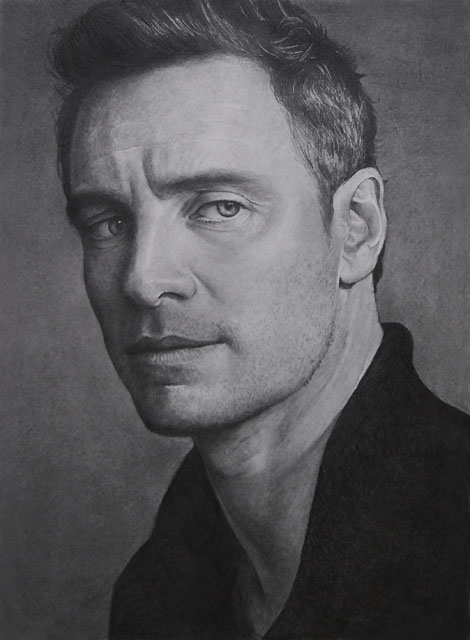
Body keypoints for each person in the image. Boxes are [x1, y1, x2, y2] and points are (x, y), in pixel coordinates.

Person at [49, 0, 470, 638]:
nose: (142, 279)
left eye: (220, 207)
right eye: (108, 222)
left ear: (357, 229)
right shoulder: (157, 594)